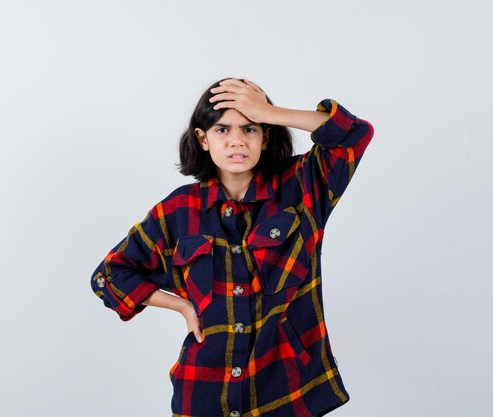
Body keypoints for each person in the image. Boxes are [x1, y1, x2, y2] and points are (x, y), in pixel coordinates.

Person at [90, 77, 374, 417]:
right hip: (203, 391)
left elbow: (354, 134)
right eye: (222, 130)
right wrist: (181, 306)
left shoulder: (302, 184)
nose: (237, 140)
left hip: (287, 388)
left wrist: (268, 111)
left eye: (250, 129)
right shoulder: (178, 210)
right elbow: (109, 276)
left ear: (266, 135)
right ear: (203, 139)